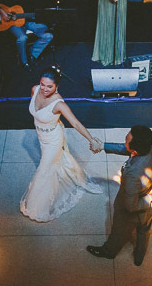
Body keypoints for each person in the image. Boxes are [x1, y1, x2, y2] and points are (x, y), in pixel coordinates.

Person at [20, 68, 104, 222]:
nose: (44, 89)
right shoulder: (34, 90)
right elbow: (37, 113)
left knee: (44, 169)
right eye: (42, 84)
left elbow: (76, 123)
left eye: (49, 86)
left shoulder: (59, 104)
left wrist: (91, 139)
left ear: (56, 87)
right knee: (52, 163)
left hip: (53, 140)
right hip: (41, 135)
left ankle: (39, 208)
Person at [86, 125, 152, 265]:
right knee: (144, 230)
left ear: (135, 151)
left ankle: (109, 252)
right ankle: (139, 257)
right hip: (150, 195)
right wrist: (103, 146)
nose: (124, 143)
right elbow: (127, 149)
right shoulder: (151, 145)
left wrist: (149, 199)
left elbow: (131, 206)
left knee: (118, 232)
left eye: (126, 141)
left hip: (133, 209)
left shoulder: (133, 175)